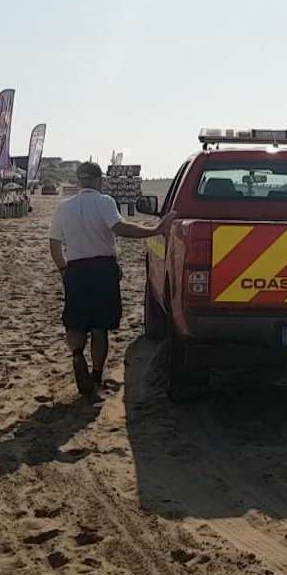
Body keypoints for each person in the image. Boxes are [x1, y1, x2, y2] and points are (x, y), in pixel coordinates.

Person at [49, 162, 173, 402]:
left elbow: (54, 243)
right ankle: (96, 376)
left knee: (75, 321)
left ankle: (76, 354)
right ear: (99, 181)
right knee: (99, 326)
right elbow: (121, 228)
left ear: (78, 181)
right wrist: (154, 230)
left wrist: (63, 269)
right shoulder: (105, 202)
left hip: (75, 268)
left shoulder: (64, 207)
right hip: (102, 269)